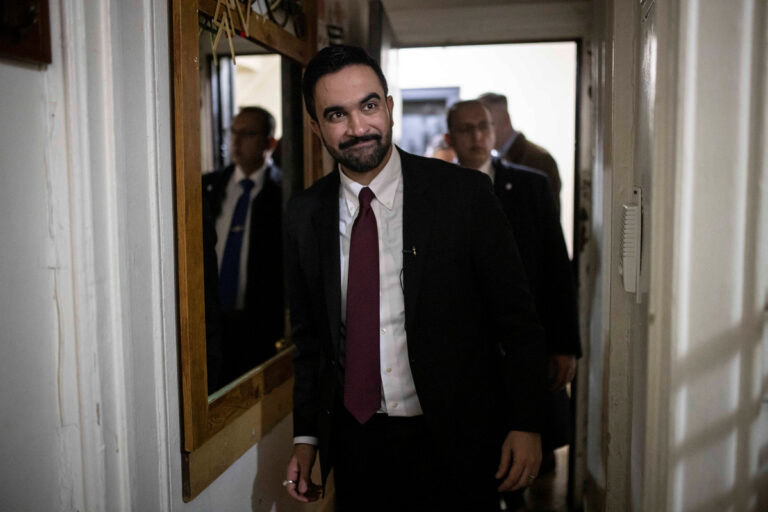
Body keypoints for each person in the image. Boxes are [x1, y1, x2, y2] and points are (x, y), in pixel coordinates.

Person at [283, 45, 547, 512]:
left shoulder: (463, 195)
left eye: (368, 106)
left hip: (458, 439)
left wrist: (526, 422)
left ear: (389, 107)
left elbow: (518, 319)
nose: (358, 128)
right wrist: (307, 437)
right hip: (357, 445)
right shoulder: (304, 215)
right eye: (337, 114)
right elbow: (310, 343)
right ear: (316, 127)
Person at [445, 100, 581, 511]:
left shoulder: (529, 185)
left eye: (483, 126)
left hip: (521, 338)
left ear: (494, 129)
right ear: (451, 137)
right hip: (464, 345)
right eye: (466, 129)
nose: (477, 136)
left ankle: (516, 497)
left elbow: (556, 266)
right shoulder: (438, 190)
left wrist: (565, 344)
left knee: (522, 434)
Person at [202, 106, 285, 385]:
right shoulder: (209, 187)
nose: (236, 142)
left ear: (268, 143)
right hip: (212, 325)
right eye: (233, 132)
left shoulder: (283, 193)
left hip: (259, 327)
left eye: (247, 134)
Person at [478, 92, 562, 214]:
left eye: (486, 124)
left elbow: (548, 218)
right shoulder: (494, 160)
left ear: (505, 119)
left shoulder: (539, 160)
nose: (479, 134)